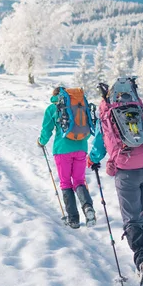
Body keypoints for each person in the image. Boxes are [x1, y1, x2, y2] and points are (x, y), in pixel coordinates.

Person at [87, 79, 143, 285]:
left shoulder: (109, 115)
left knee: (132, 219)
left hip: (127, 173)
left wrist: (93, 159)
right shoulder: (141, 111)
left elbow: (100, 144)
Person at [38, 87, 96, 229]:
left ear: (55, 95)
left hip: (62, 149)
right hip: (81, 147)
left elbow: (47, 130)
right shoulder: (80, 105)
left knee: (65, 183)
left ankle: (73, 219)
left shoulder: (53, 108)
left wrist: (41, 142)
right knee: (79, 181)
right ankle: (88, 207)